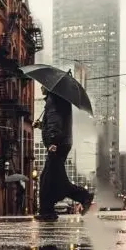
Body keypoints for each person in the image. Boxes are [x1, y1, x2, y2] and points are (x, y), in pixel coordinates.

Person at [34, 88, 93, 221]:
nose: (41, 87)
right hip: (61, 142)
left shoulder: (53, 99)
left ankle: (83, 197)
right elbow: (55, 122)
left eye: (43, 85)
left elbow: (56, 122)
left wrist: (53, 141)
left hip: (57, 144)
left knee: (52, 180)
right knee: (49, 178)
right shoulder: (57, 99)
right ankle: (47, 210)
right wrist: (41, 125)